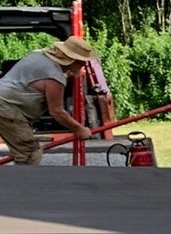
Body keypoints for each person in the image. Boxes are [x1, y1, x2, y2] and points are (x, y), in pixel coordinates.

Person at [0, 37, 98, 165]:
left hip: (5, 103)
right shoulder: (54, 77)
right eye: (81, 62)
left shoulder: (39, 54)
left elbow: (38, 78)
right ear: (70, 59)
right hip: (6, 109)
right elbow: (57, 111)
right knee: (29, 152)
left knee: (20, 149)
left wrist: (68, 74)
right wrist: (79, 129)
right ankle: (23, 184)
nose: (84, 65)